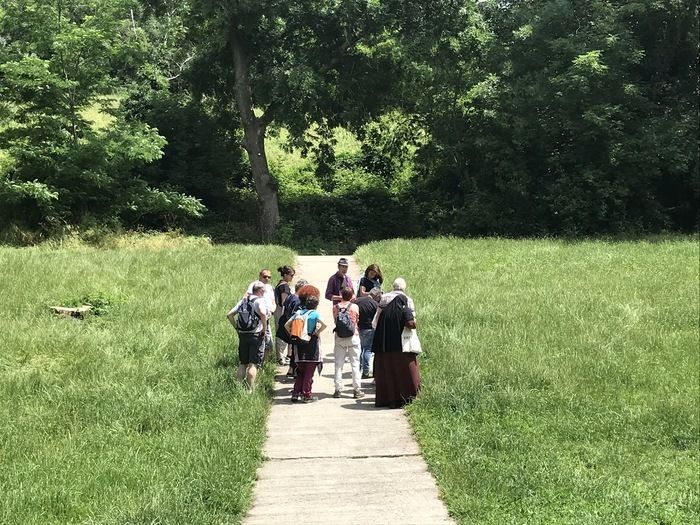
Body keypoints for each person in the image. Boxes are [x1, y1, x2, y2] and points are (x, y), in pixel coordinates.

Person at [371, 278, 420, 408]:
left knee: (388, 369)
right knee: (402, 369)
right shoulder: (407, 300)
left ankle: (390, 398)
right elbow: (411, 321)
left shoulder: (385, 298)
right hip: (400, 339)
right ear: (403, 288)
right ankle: (406, 396)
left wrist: (377, 329)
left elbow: (378, 315)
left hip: (384, 337)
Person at [227, 281, 269, 391]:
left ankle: (238, 387)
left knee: (243, 363)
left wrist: (237, 328)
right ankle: (250, 389)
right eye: (263, 291)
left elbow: (229, 315)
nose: (264, 292)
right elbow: (263, 314)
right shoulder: (259, 301)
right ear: (260, 291)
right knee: (253, 364)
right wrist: (264, 329)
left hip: (243, 335)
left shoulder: (243, 301)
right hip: (256, 334)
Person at [287, 295, 327, 403]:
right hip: (312, 343)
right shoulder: (315, 314)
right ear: (316, 305)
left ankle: (295, 393)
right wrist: (317, 332)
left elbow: (287, 325)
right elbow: (325, 324)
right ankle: (307, 395)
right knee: (309, 372)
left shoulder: (298, 313)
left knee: (300, 372)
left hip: (299, 344)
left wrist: (293, 333)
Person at [332, 287, 363, 399]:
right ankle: (357, 390)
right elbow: (357, 321)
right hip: (353, 337)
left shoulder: (335, 307)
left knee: (338, 365)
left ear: (341, 294)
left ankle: (338, 390)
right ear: (352, 295)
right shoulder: (355, 307)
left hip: (339, 338)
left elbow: (335, 321)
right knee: (355, 364)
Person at [277, 279, 308, 377]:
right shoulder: (297, 300)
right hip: (294, 327)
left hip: (287, 327)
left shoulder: (290, 297)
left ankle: (291, 369)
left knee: (294, 349)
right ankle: (295, 371)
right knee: (297, 350)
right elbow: (295, 316)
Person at [247, 269, 276, 357]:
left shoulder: (270, 287)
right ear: (260, 276)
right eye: (264, 276)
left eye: (269, 277)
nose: (267, 278)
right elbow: (247, 297)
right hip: (257, 318)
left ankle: (261, 363)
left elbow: (273, 302)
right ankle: (256, 363)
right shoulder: (254, 285)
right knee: (260, 342)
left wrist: (271, 311)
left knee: (269, 344)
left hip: (267, 318)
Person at [355, 287, 382, 379]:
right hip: (369, 329)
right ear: (376, 296)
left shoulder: (357, 301)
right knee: (367, 350)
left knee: (359, 349)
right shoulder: (375, 304)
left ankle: (357, 369)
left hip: (358, 328)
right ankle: (365, 372)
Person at [274, 265, 295, 365]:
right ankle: (280, 358)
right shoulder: (284, 286)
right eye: (291, 275)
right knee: (282, 334)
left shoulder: (280, 284)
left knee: (281, 333)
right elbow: (284, 302)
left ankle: (282, 356)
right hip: (281, 312)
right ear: (285, 275)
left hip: (278, 311)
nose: (292, 277)